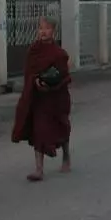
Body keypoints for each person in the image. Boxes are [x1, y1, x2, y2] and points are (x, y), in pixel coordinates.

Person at [12, 17, 72, 182]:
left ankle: (66, 156)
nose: (43, 32)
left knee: (61, 126)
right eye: (41, 28)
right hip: (38, 97)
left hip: (56, 98)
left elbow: (64, 76)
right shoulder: (33, 51)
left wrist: (51, 85)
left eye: (47, 28)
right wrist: (35, 81)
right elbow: (29, 72)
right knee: (39, 130)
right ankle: (39, 169)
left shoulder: (59, 54)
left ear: (54, 31)